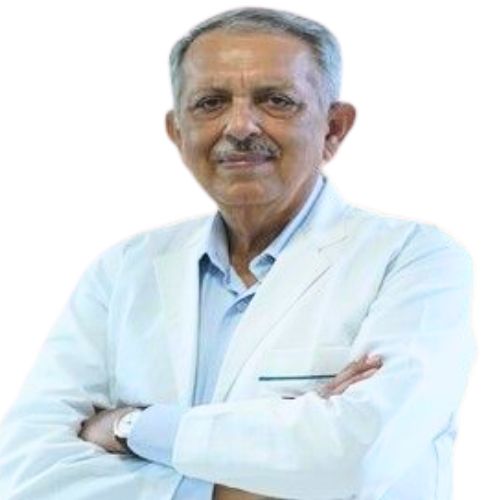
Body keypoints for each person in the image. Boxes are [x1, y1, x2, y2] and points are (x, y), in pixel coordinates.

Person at [0, 7, 475, 500]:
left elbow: (359, 456)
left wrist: (130, 427)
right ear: (178, 132)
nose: (241, 126)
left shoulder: (414, 260)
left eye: (276, 101)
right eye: (210, 103)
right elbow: (25, 471)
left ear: (333, 128)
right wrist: (254, 474)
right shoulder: (123, 271)